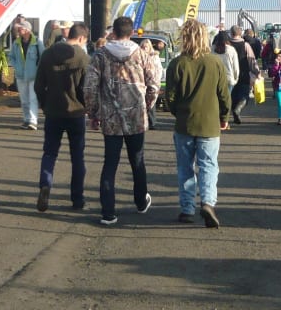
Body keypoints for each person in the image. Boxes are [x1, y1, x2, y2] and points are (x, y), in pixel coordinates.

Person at [83, 16, 161, 226]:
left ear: (113, 32)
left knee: (110, 164)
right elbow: (154, 84)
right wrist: (146, 106)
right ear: (132, 32)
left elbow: (89, 87)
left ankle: (108, 213)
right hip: (136, 117)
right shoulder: (142, 55)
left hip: (111, 118)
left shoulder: (100, 56)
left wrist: (93, 113)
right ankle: (140, 201)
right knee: (137, 161)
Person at [165, 19, 231, 228]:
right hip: (210, 124)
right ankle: (208, 202)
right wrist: (224, 118)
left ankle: (187, 208)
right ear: (205, 37)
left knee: (185, 167)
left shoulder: (177, 64)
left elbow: (170, 98)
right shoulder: (215, 63)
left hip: (185, 123)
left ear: (184, 38)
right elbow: (224, 95)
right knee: (209, 165)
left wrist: (179, 113)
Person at [33, 23, 91, 212]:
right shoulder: (83, 58)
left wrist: (44, 104)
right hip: (76, 113)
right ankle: (77, 198)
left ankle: (45, 185)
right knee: (77, 157)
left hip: (53, 112)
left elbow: (38, 85)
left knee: (50, 153)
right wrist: (86, 106)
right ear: (81, 38)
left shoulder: (48, 54)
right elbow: (86, 89)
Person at [8, 20, 44, 130]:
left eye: (21, 29)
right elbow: (11, 57)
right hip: (20, 75)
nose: (18, 31)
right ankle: (26, 119)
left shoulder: (37, 42)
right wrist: (16, 66)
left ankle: (33, 121)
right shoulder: (16, 43)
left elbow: (43, 57)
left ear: (27, 29)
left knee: (33, 98)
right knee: (24, 99)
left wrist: (40, 71)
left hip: (34, 75)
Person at [227, 25, 260, 124]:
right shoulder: (245, 45)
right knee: (245, 95)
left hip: (230, 74)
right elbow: (251, 60)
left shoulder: (227, 45)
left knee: (232, 95)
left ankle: (234, 111)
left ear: (231, 33)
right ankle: (238, 109)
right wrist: (257, 72)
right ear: (240, 33)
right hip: (243, 74)